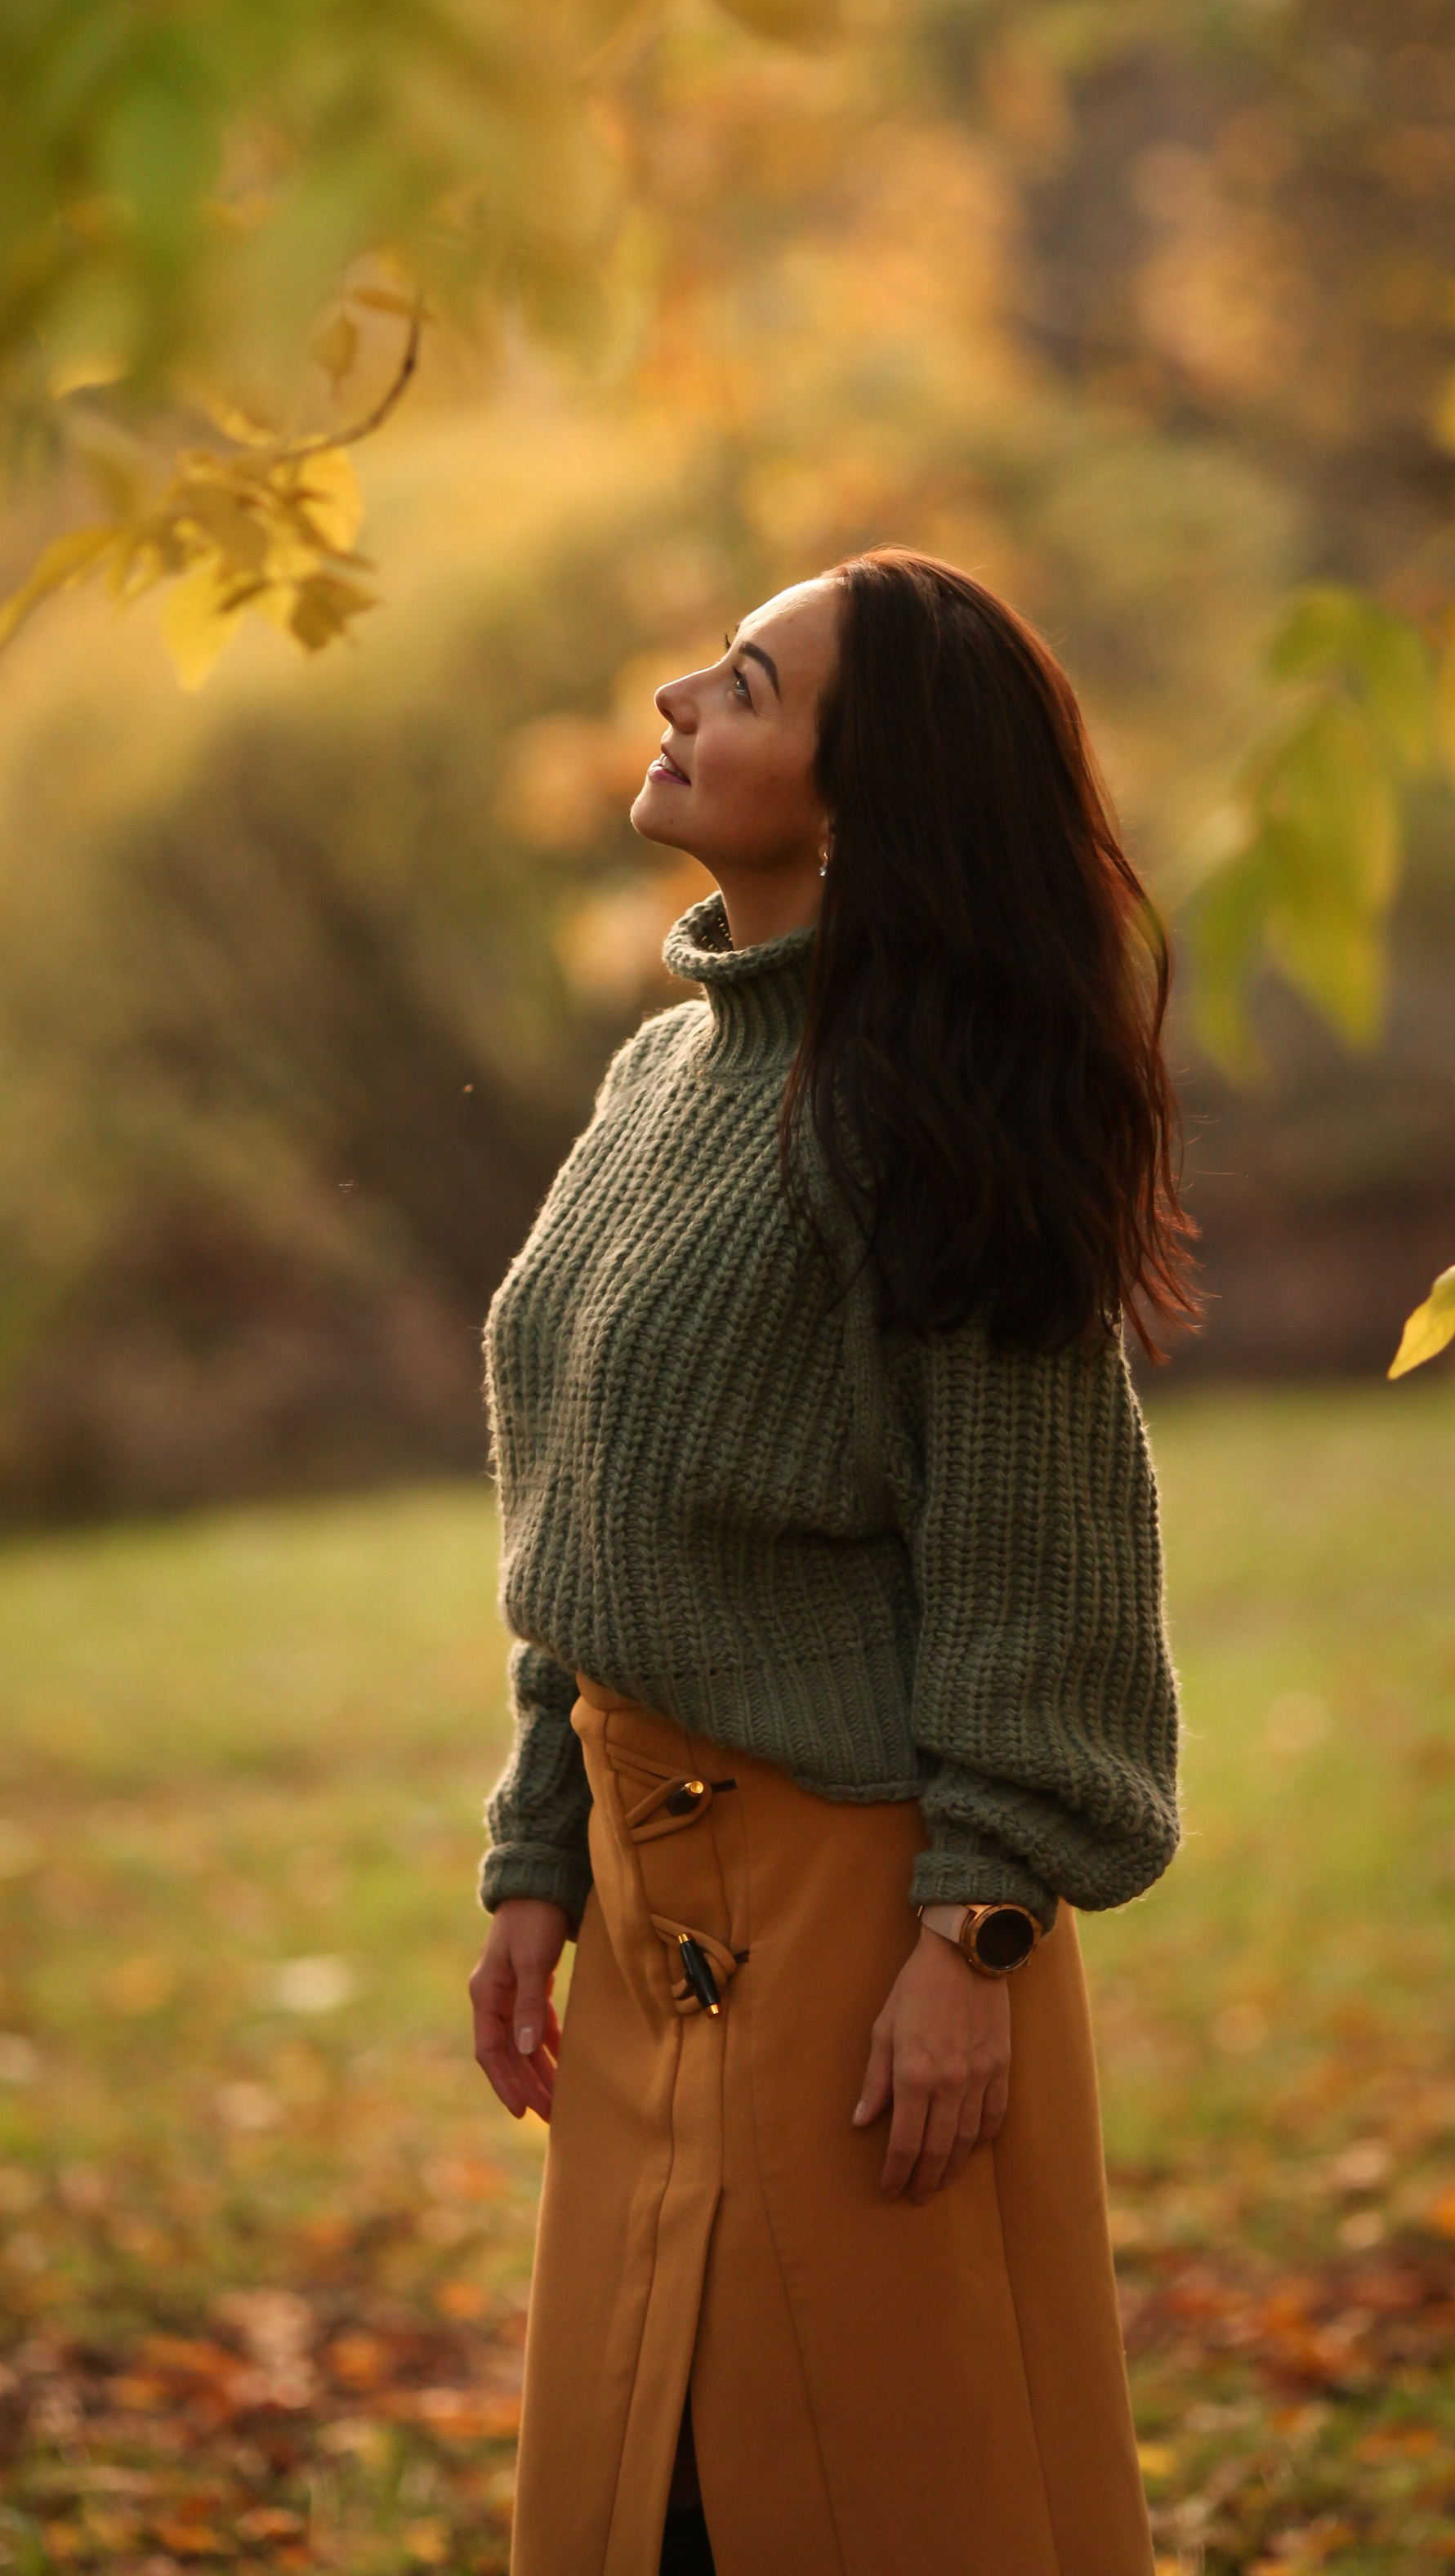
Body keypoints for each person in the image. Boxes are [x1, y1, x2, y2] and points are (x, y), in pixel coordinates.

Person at [467, 550, 1191, 2576]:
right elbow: (586, 1512)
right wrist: (535, 1855)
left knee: (871, 2493)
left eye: (748, 687)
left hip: (868, 1940)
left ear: (864, 800)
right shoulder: (657, 1077)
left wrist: (973, 1948)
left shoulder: (940, 1124)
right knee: (640, 2504)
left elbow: (1039, 1576)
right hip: (638, 1916)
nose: (678, 698)